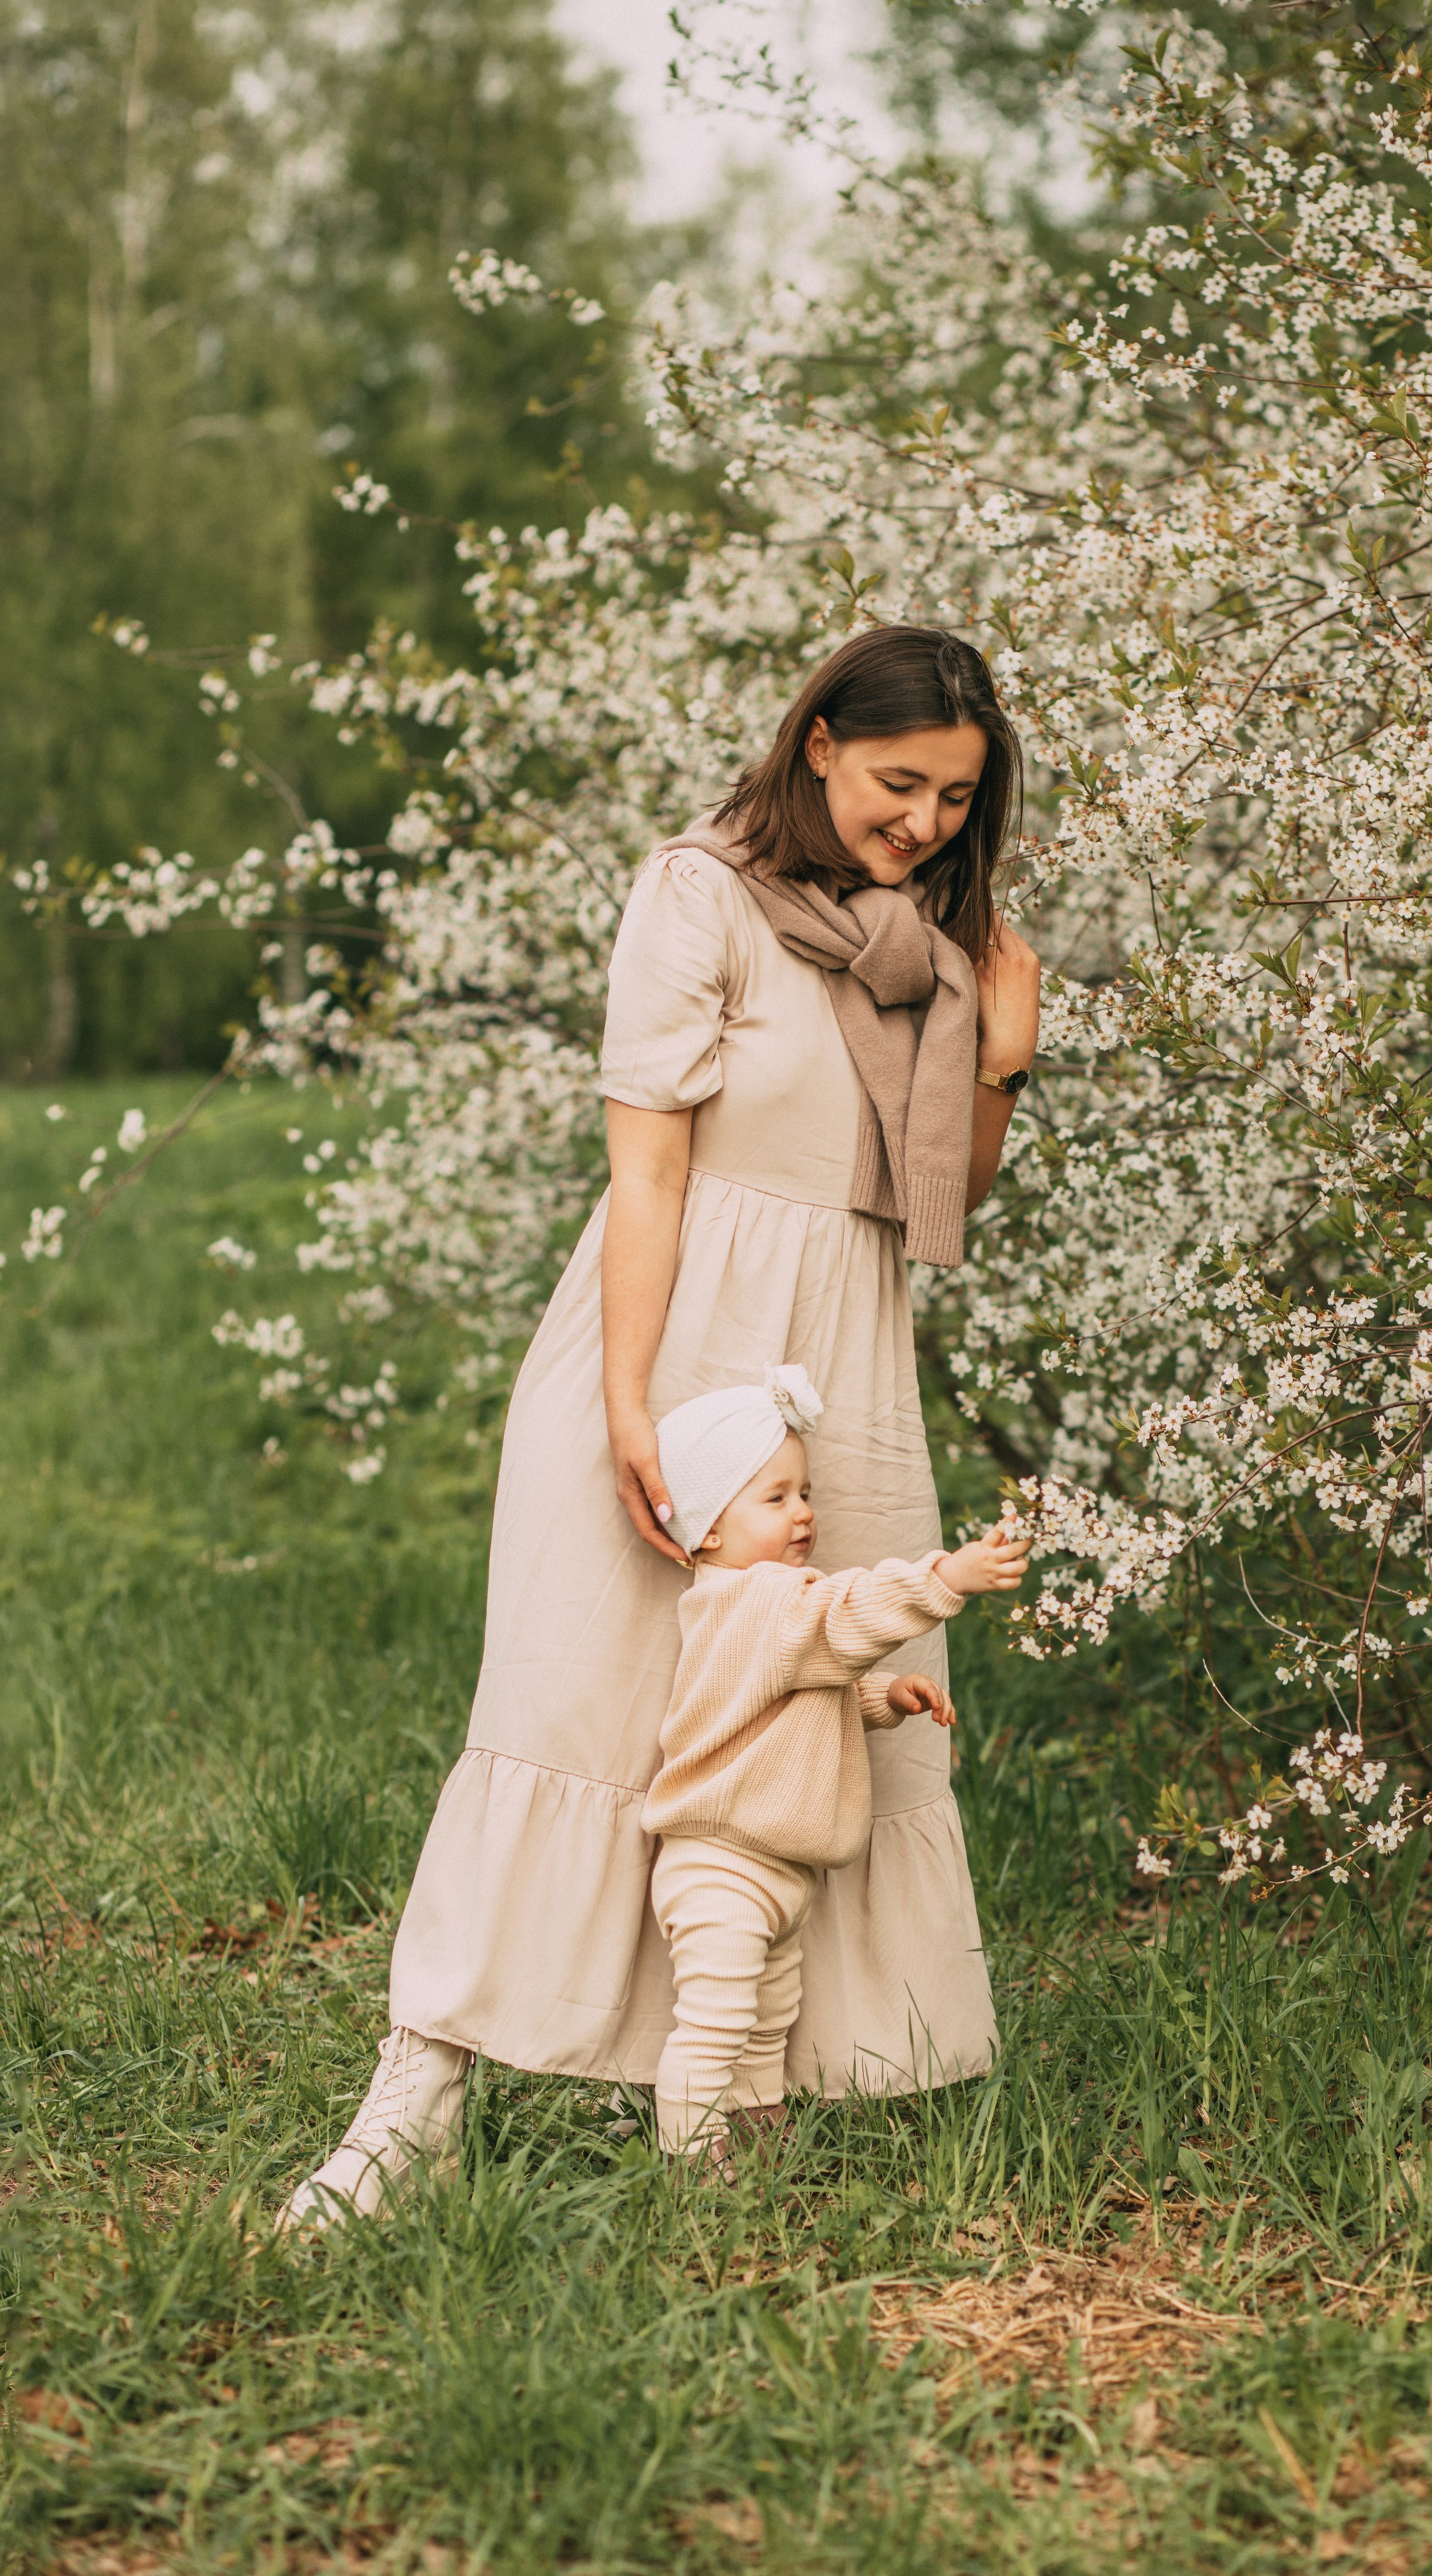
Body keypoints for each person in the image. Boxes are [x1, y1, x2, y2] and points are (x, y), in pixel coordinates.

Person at [279, 623, 1042, 2231]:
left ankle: (729, 2117)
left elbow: (937, 1200)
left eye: (956, 799)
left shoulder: (935, 945)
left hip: (844, 1340)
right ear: (818, 740)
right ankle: (409, 2109)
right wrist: (630, 1402)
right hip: (674, 1327)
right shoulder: (696, 892)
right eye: (899, 782)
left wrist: (1004, 1055)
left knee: (806, 1710)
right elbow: (649, 1169)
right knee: (571, 1694)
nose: (922, 822)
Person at [643, 1363, 1031, 2159]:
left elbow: (793, 1709)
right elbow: (843, 1614)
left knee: (766, 2019)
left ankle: (754, 2133)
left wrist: (882, 1698)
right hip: (722, 1863)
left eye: (805, 1492)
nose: (803, 1514)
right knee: (717, 2023)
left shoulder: (759, 1611)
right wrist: (943, 1578)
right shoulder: (758, 1600)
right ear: (707, 1527)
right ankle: (687, 2166)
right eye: (775, 1497)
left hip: (776, 1866)